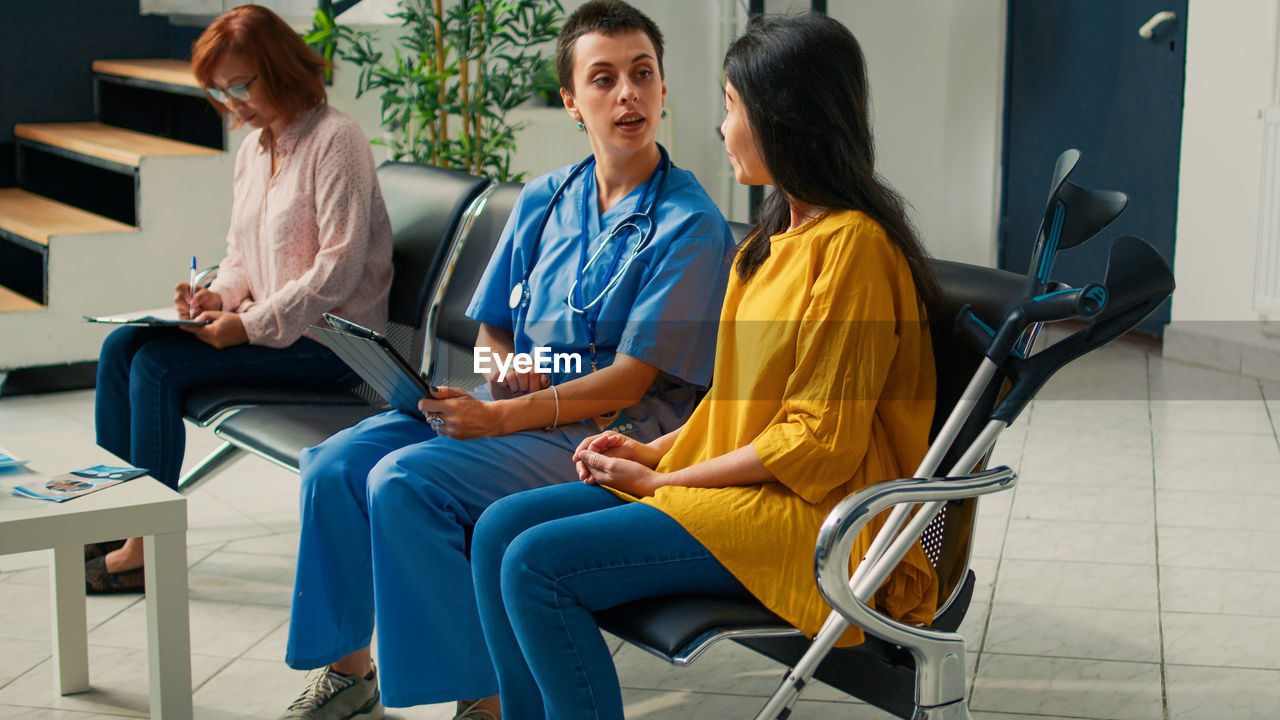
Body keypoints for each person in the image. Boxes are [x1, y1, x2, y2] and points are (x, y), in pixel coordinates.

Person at [470, 12, 945, 720]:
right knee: (498, 531)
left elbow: (817, 443)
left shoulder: (854, 249)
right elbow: (735, 403)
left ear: (783, 120)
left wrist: (664, 479)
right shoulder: (772, 238)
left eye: (732, 108)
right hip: (738, 494)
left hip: (807, 520)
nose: (721, 129)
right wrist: (651, 448)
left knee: (536, 566)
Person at [276, 2, 736, 719]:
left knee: (406, 481)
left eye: (643, 74)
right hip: (518, 411)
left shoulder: (689, 225)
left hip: (610, 433)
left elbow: (628, 380)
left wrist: (500, 415)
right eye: (604, 78)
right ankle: (347, 668)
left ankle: (483, 700)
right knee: (335, 465)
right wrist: (506, 370)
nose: (627, 95)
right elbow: (492, 328)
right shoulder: (546, 199)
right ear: (571, 100)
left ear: (664, 88)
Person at [88, 3, 393, 594]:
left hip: (333, 344)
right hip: (278, 331)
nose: (232, 103)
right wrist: (214, 296)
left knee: (156, 365)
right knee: (121, 346)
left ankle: (146, 547)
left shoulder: (336, 139)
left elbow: (337, 268)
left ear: (278, 67)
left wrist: (247, 325)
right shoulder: (257, 148)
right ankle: (114, 518)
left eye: (239, 85)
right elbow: (241, 254)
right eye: (219, 91)